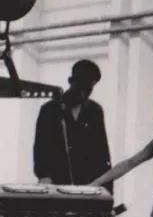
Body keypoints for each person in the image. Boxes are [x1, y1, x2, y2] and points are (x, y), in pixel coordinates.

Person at [33, 60, 111, 189]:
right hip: (57, 184)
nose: (83, 94)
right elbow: (40, 148)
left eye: (88, 89)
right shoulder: (50, 109)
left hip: (88, 187)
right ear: (71, 81)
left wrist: (106, 188)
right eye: (80, 88)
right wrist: (44, 176)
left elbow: (102, 152)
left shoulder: (95, 111)